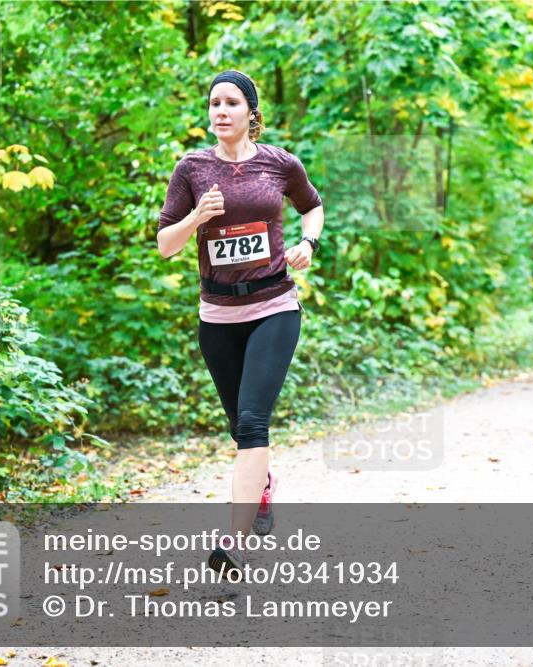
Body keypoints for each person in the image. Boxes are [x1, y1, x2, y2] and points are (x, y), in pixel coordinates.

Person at [156, 70, 324, 577]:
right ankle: (263, 485)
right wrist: (196, 218)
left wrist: (307, 245)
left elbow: (312, 207)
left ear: (251, 112)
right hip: (218, 314)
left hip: (274, 306)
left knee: (253, 422)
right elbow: (166, 245)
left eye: (231, 103)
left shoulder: (279, 163)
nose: (220, 111)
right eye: (213, 103)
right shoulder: (191, 169)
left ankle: (233, 542)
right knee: (239, 428)